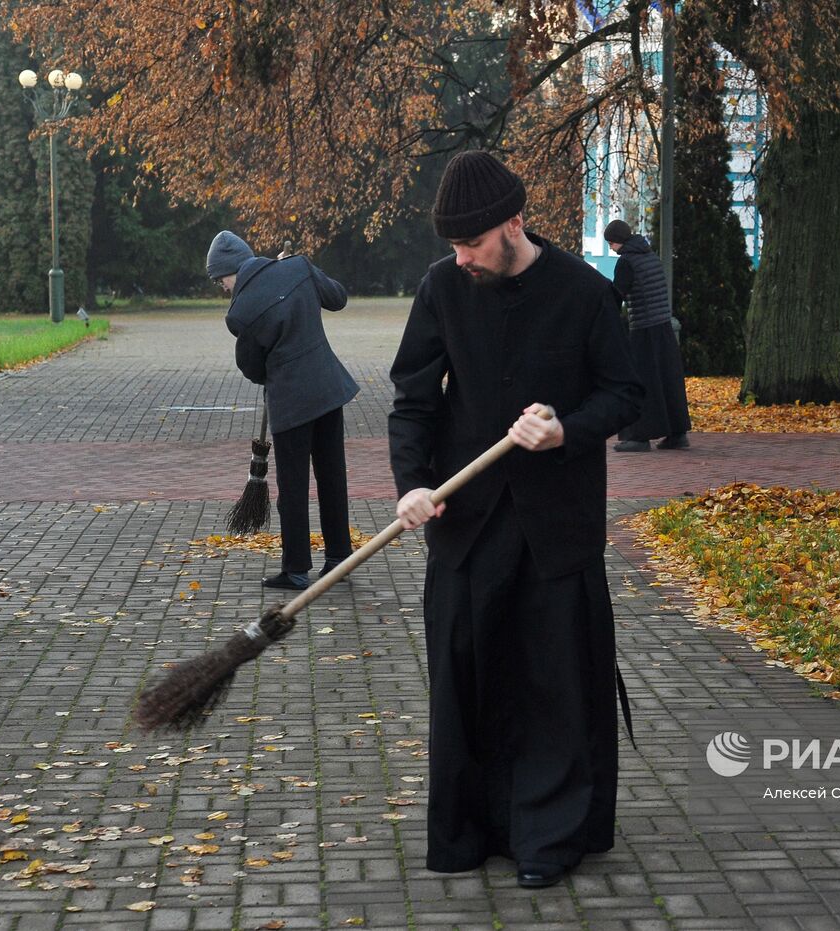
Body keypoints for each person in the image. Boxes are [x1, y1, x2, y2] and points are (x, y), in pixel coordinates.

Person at [387, 152, 643, 888]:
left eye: (472, 243)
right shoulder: (442, 287)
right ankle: (470, 829)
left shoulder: (584, 292)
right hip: (466, 524)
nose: (461, 258)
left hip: (555, 526)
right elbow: (413, 399)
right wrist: (412, 484)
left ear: (514, 223)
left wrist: (565, 430)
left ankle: (548, 836)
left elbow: (625, 393)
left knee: (552, 682)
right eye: (453, 245)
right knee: (467, 677)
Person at [210, 230, 358, 590]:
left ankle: (295, 570)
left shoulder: (240, 312)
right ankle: (339, 559)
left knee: (293, 488)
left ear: (230, 271)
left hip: (290, 403)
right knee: (332, 477)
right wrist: (306, 271)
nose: (223, 288)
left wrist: (273, 372)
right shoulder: (298, 268)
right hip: (328, 389)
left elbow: (251, 366)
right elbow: (337, 298)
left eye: (220, 280)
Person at [602, 219, 692, 452]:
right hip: (663, 326)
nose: (611, 248)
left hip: (643, 329)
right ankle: (677, 434)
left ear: (618, 241)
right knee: (667, 379)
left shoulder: (626, 261)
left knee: (638, 381)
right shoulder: (649, 256)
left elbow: (616, 295)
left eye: (611, 243)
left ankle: (638, 436)